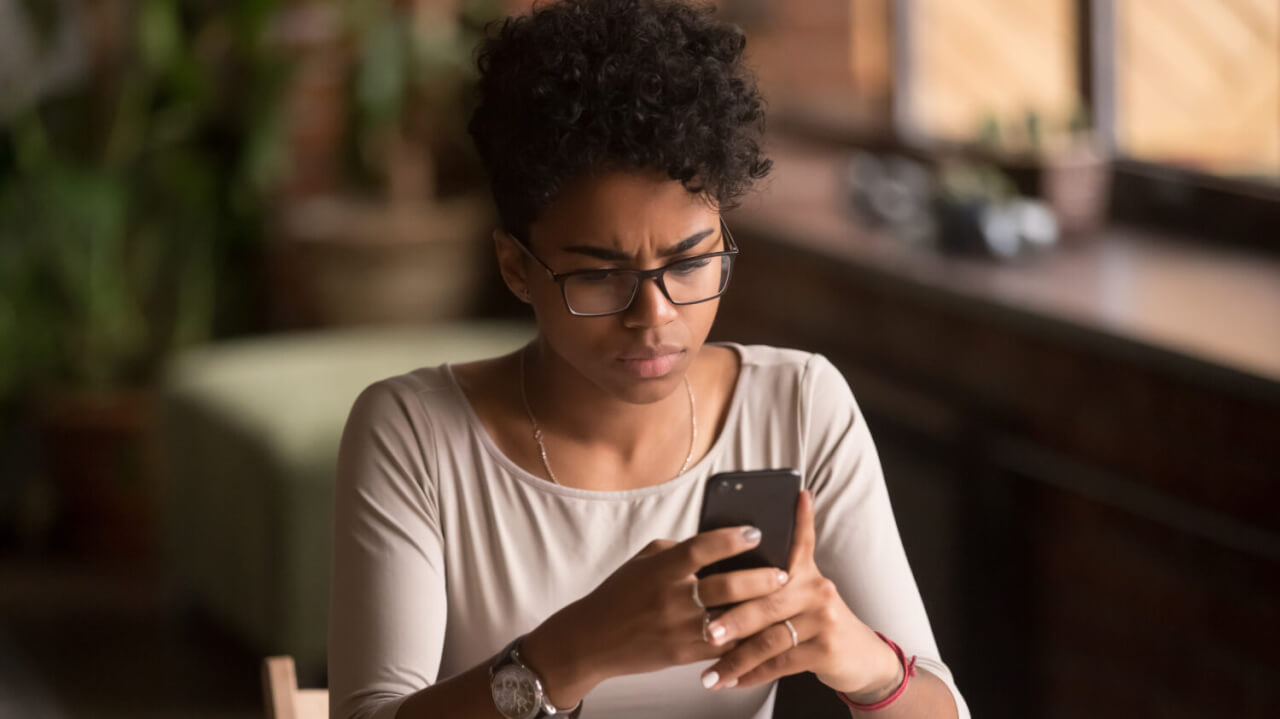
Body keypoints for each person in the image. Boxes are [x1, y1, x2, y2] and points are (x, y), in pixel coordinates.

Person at [328, 1, 968, 717]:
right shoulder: (415, 434)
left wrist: (860, 658)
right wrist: (577, 649)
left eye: (691, 263)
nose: (656, 317)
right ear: (516, 267)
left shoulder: (799, 406)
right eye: (601, 276)